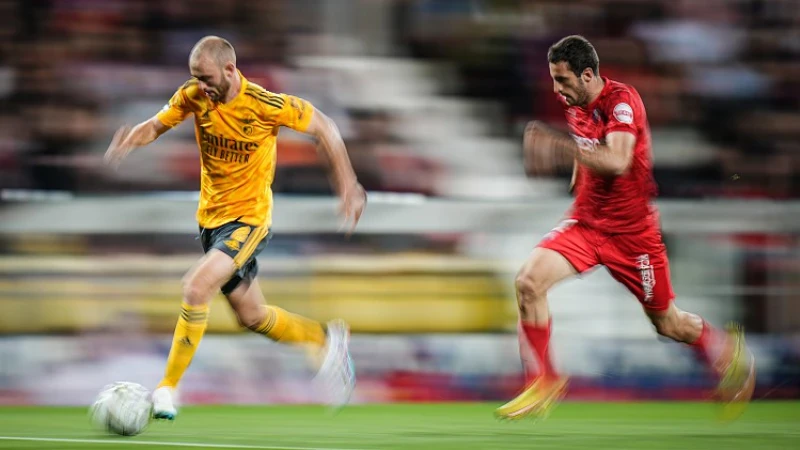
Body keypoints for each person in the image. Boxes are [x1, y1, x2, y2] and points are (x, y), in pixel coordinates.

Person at [104, 36, 366, 420]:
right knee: (252, 316)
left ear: (230, 69)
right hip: (210, 221)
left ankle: (166, 389)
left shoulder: (264, 105)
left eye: (207, 77)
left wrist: (347, 184)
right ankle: (325, 340)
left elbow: (325, 127)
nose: (202, 86)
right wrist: (131, 140)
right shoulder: (193, 95)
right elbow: (158, 125)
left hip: (248, 220)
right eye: (196, 77)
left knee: (196, 286)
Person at [495, 35, 755, 420]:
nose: (556, 89)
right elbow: (587, 151)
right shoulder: (576, 102)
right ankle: (543, 380)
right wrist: (574, 180)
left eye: (562, 80)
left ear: (587, 75)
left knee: (668, 323)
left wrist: (559, 147)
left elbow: (616, 161)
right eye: (553, 79)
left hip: (634, 236)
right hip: (585, 225)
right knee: (527, 283)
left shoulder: (622, 102)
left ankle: (726, 352)